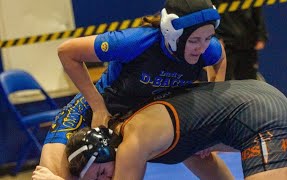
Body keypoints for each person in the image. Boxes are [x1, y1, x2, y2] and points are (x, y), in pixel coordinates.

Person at [40, 0, 230, 179]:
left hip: (143, 118)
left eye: (208, 38)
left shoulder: (208, 50)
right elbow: (66, 52)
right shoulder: (134, 41)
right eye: (195, 40)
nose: (202, 47)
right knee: (51, 174)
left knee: (200, 153)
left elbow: (220, 58)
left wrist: (210, 109)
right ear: (173, 33)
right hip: (102, 110)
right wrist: (97, 106)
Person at [33, 80, 287, 180]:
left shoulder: (134, 141)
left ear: (111, 152)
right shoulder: (159, 141)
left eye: (103, 173)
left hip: (260, 116)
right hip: (257, 103)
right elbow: (206, 164)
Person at [212, 0, 268, 80]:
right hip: (225, 45)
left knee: (248, 81)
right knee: (222, 83)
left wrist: (261, 36)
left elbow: (257, 13)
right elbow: (209, 16)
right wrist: (215, 37)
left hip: (247, 44)